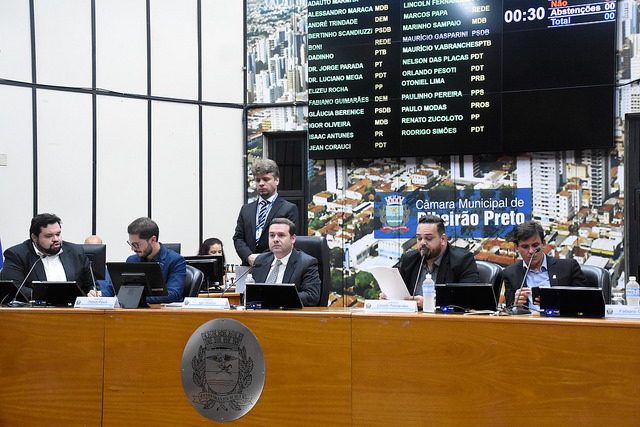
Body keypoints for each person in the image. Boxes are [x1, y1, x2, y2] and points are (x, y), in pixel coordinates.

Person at [383, 214, 479, 309]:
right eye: (419, 238)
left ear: (443, 239)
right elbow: (400, 293)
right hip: (412, 321)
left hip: (447, 321)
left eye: (428, 238)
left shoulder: (462, 260)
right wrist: (389, 298)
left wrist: (431, 303)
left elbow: (470, 297)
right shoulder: (410, 259)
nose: (422, 243)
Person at [0, 213, 96, 300]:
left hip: (74, 312)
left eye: (58, 234)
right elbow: (15, 289)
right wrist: (50, 296)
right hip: (35, 313)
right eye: (49, 236)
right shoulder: (17, 255)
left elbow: (91, 284)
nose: (56, 239)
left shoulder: (76, 252)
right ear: (34, 237)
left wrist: (93, 291)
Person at [503, 220, 589, 310]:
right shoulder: (510, 273)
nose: (531, 251)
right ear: (517, 248)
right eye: (525, 247)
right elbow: (509, 309)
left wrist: (555, 302)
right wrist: (516, 305)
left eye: (535, 245)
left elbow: (585, 303)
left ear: (543, 243)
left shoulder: (568, 267)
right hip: (527, 322)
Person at [101, 217, 186, 303]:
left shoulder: (176, 260)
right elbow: (119, 288)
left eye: (136, 244)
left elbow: (173, 294)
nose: (132, 248)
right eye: (131, 243)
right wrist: (100, 295)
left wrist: (137, 298)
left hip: (165, 313)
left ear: (153, 240)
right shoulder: (132, 260)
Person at [233, 158, 298, 266]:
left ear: (277, 180)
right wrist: (249, 256)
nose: (261, 184)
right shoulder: (246, 209)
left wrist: (261, 258)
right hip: (248, 267)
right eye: (258, 180)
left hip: (275, 265)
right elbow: (238, 238)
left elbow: (288, 240)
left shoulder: (288, 209)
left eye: (266, 179)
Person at [251, 218, 321, 306]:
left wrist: (278, 298)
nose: (275, 239)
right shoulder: (260, 261)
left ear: (293, 239)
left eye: (281, 235)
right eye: (272, 235)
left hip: (289, 316)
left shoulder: (307, 263)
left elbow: (312, 296)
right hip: (259, 316)